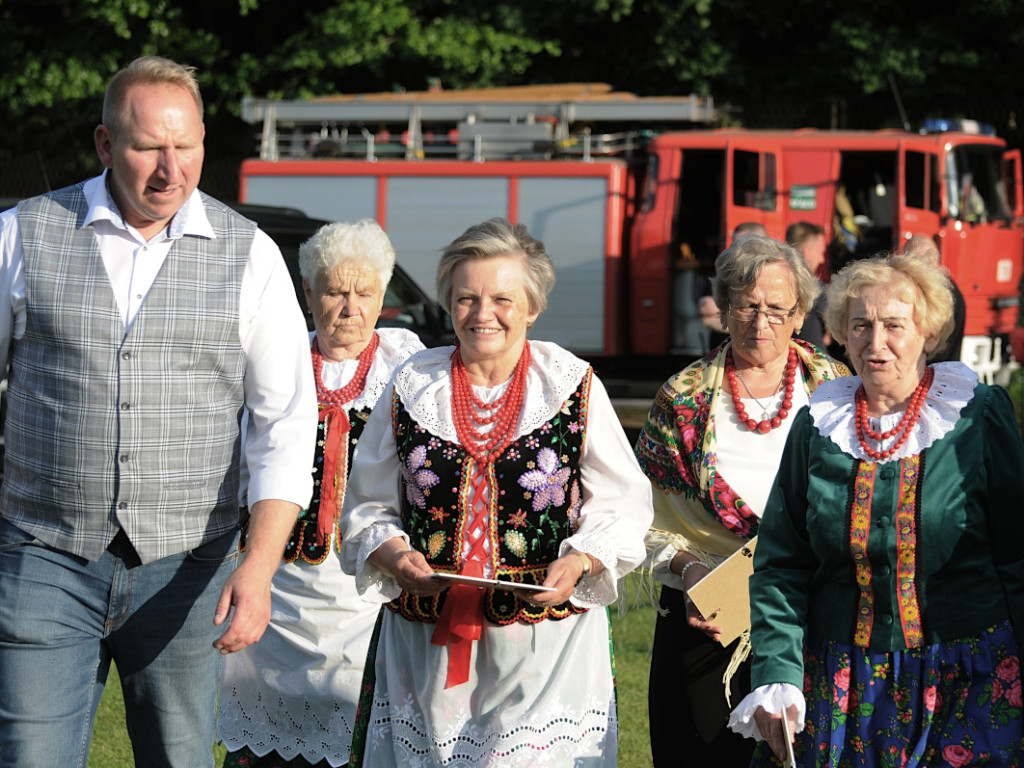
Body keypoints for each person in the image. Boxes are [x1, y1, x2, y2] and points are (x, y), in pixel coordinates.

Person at [0, 56, 318, 768]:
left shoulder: (251, 256)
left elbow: (286, 424)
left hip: (188, 567)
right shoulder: (23, 235)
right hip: (42, 555)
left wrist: (259, 568)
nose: (170, 169)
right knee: (30, 757)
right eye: (148, 147)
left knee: (178, 758)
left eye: (188, 147)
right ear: (106, 145)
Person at [339, 217, 654, 767]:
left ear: (532, 306)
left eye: (503, 299)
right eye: (466, 298)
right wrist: (396, 555)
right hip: (426, 643)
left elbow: (623, 502)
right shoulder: (413, 383)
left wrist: (580, 561)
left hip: (544, 646)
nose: (483, 315)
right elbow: (366, 503)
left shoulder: (569, 383)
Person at [728, 252, 1024, 766]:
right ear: (841, 332)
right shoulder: (817, 426)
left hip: (966, 676)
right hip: (841, 685)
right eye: (860, 324)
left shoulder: (977, 417)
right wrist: (778, 671)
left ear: (929, 334)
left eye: (894, 325)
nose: (876, 342)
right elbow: (781, 563)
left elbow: (1018, 553)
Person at [635, 234, 849, 767]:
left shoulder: (836, 391)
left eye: (777, 309)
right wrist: (687, 570)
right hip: (705, 613)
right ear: (723, 311)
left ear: (801, 314)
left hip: (808, 612)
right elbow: (638, 514)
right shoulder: (680, 399)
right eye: (745, 306)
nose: (761, 323)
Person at [219, 221, 425, 767]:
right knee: (265, 740)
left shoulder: (408, 371)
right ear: (307, 293)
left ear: (383, 297)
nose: (349, 307)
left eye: (364, 293)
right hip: (277, 584)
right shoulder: (273, 363)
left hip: (364, 585)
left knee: (358, 730)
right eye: (334, 290)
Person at [699, 221, 770, 351]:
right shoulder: (724, 272)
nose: (736, 250)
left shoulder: (776, 278)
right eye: (734, 244)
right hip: (721, 354)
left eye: (743, 245)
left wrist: (727, 312)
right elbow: (706, 309)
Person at [904, 233, 965, 363]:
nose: (908, 268)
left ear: (931, 256)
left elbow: (939, 345)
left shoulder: (946, 294)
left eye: (912, 260)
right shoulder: (943, 288)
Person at [787, 221, 831, 351]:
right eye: (821, 252)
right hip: (812, 363)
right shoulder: (809, 286)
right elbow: (832, 313)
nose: (822, 259)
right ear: (807, 252)